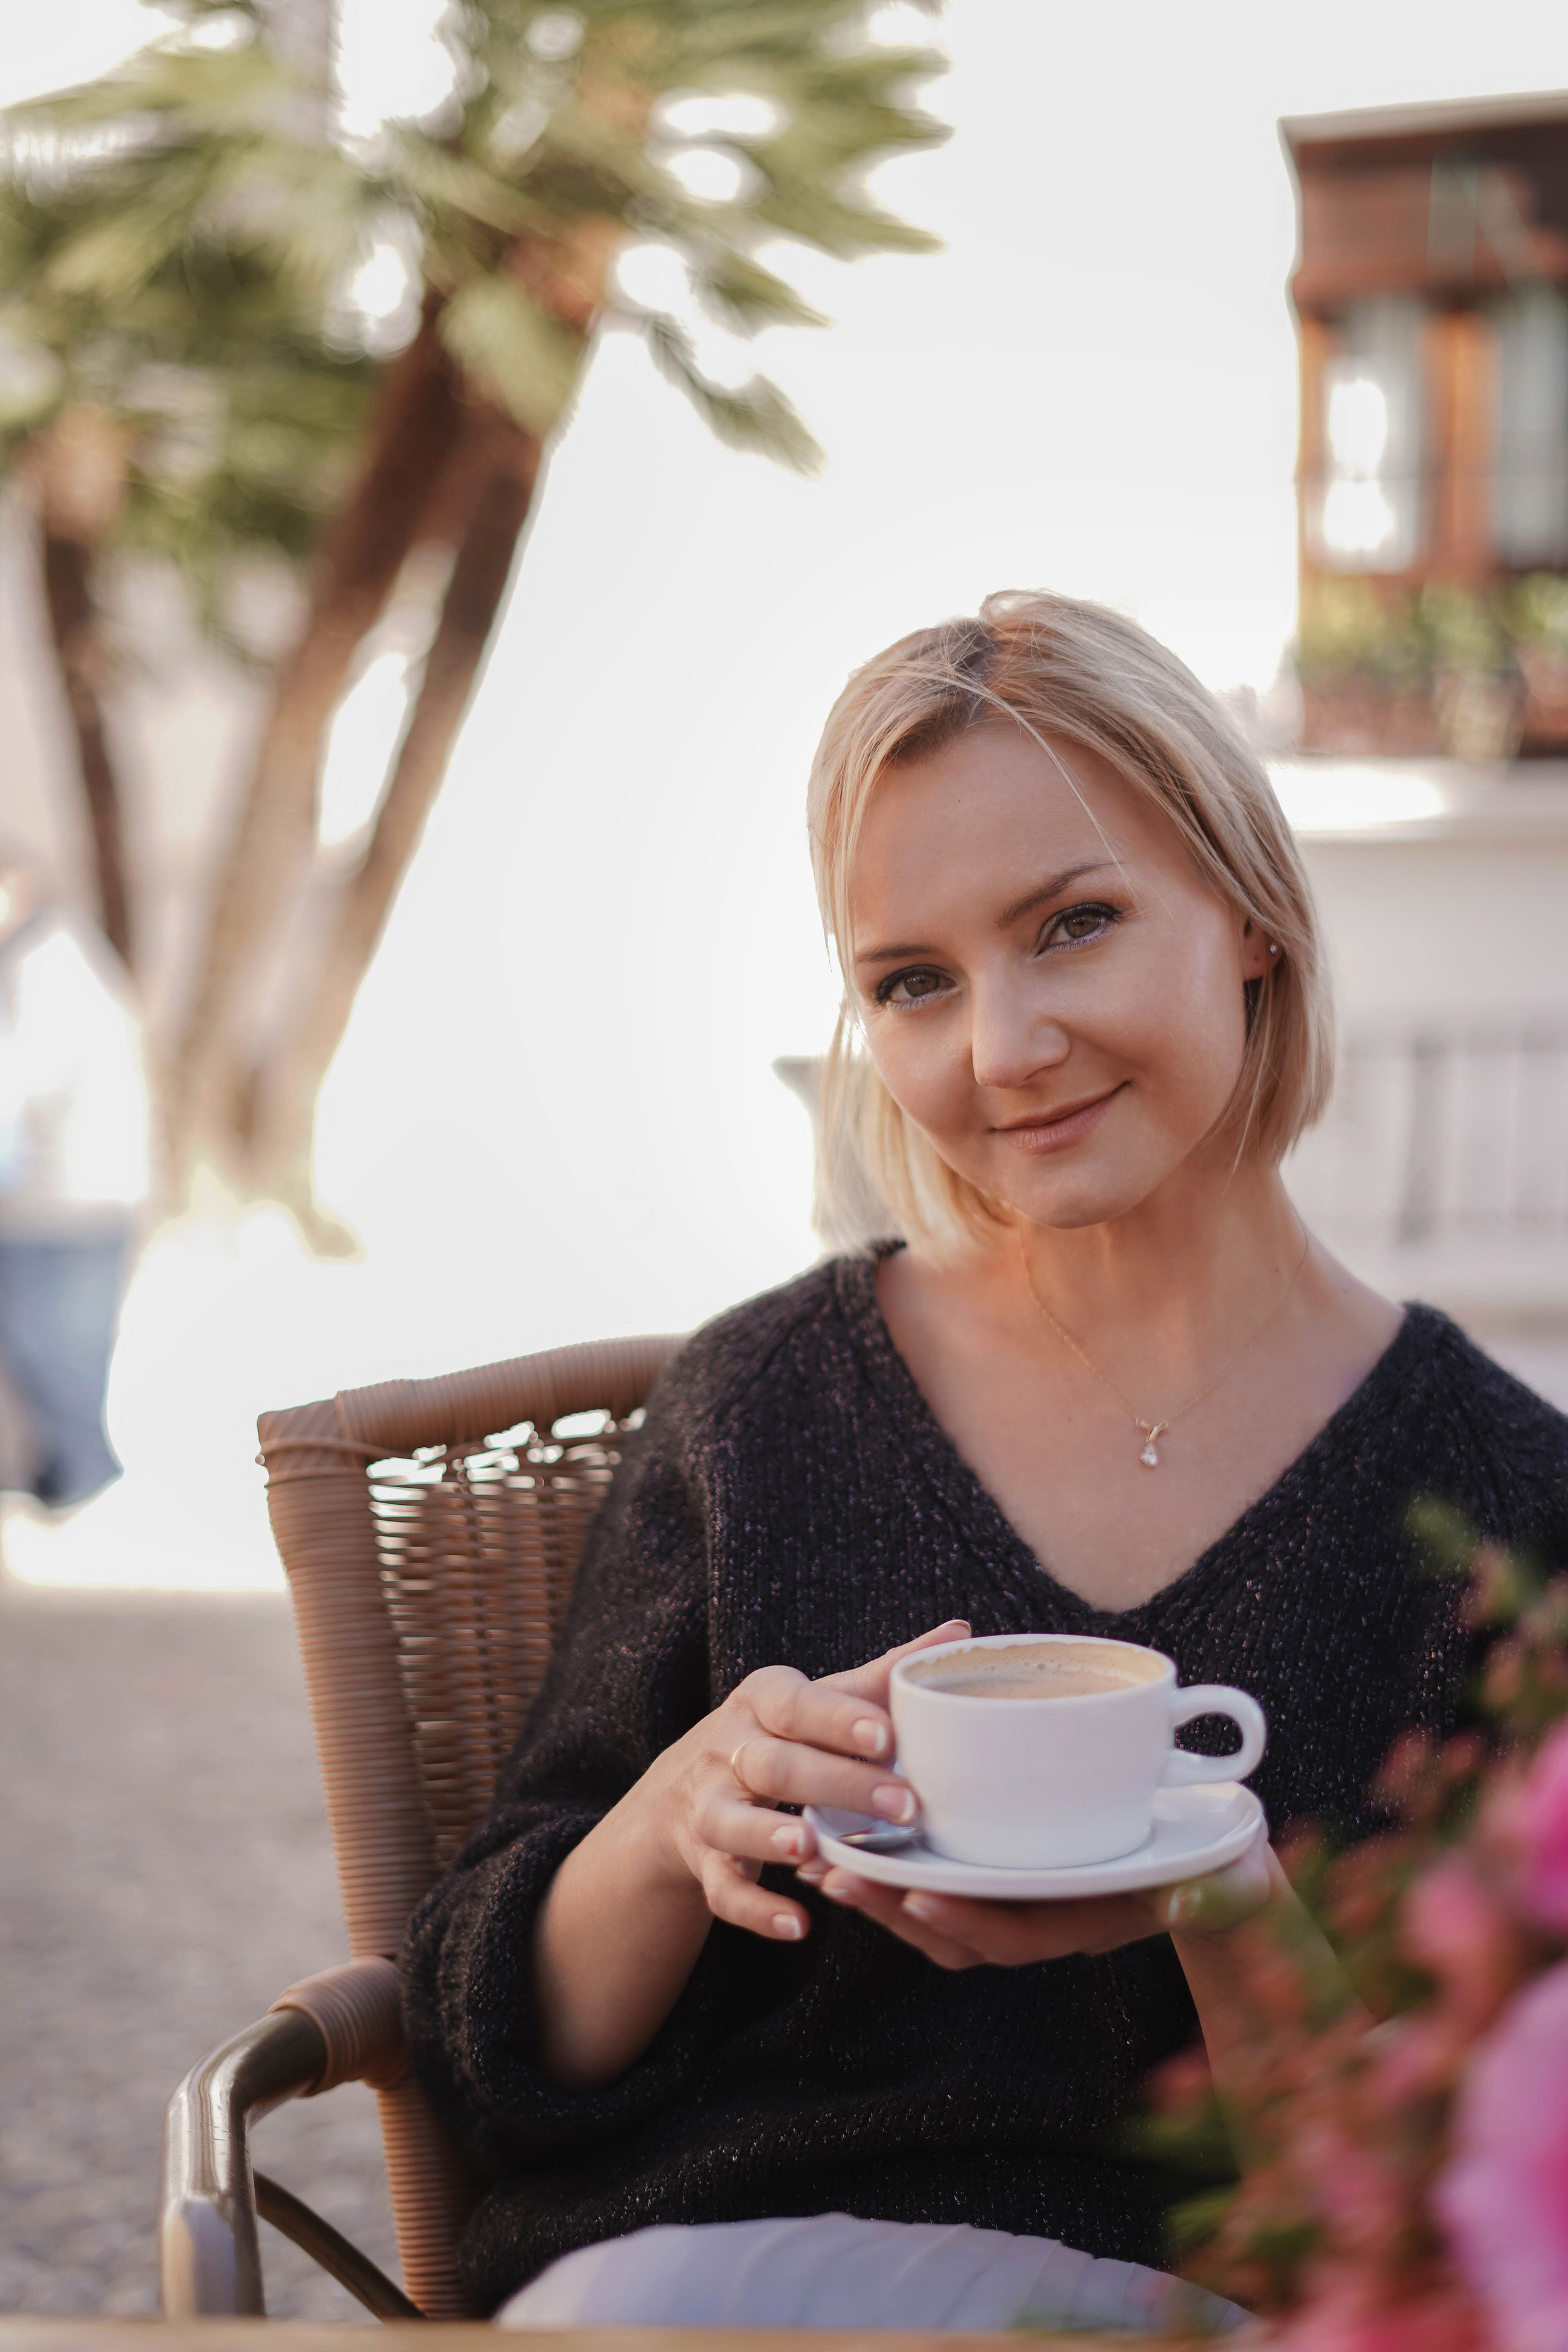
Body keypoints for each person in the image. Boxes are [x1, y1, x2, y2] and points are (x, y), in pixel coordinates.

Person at [401, 594, 1568, 2331]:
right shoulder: (761, 1410)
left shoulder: (1494, 1500)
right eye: (913, 983)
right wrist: (675, 1820)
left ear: (1252, 916)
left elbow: (1448, 2199)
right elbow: (505, 2052)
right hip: (723, 2288)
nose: (1002, 1051)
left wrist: (1221, 1897)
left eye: (1073, 926)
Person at [0, 852, 148, 1509]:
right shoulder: (37, 959)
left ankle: (84, 1486)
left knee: (55, 1346)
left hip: (77, 1196)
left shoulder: (49, 966)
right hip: (57, 1197)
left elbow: (16, 1081)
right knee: (41, 1342)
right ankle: (66, 1480)